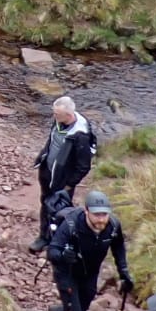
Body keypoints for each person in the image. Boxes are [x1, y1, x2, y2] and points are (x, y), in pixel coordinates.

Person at [44, 191, 134, 311]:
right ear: (86, 211)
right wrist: (63, 256)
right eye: (96, 214)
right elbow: (52, 251)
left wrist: (123, 272)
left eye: (104, 214)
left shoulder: (113, 226)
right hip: (67, 273)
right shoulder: (71, 225)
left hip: (90, 275)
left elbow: (118, 247)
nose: (101, 219)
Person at [29, 95, 97, 252]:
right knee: (46, 203)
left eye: (57, 114)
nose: (54, 116)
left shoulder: (81, 135)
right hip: (48, 172)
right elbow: (52, 141)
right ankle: (44, 236)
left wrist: (69, 184)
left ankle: (58, 241)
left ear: (68, 115)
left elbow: (83, 166)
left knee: (58, 210)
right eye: (54, 113)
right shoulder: (60, 120)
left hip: (63, 180)